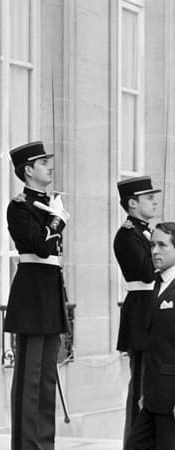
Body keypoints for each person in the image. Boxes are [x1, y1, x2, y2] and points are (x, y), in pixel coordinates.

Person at [4, 141, 70, 450]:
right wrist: (57, 220)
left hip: (49, 294)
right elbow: (40, 247)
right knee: (29, 381)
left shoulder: (47, 203)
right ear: (29, 170)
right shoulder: (19, 207)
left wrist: (54, 216)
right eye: (43, 163)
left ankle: (44, 444)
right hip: (31, 296)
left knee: (46, 380)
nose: (49, 167)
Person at [113, 176, 161, 446]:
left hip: (152, 311)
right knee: (141, 387)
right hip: (141, 314)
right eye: (148, 198)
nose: (154, 201)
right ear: (132, 203)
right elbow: (145, 272)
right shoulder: (127, 234)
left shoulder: (147, 232)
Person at [126, 222, 175, 448]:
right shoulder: (157, 283)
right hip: (153, 396)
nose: (154, 251)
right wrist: (146, 391)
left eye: (162, 245)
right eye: (152, 244)